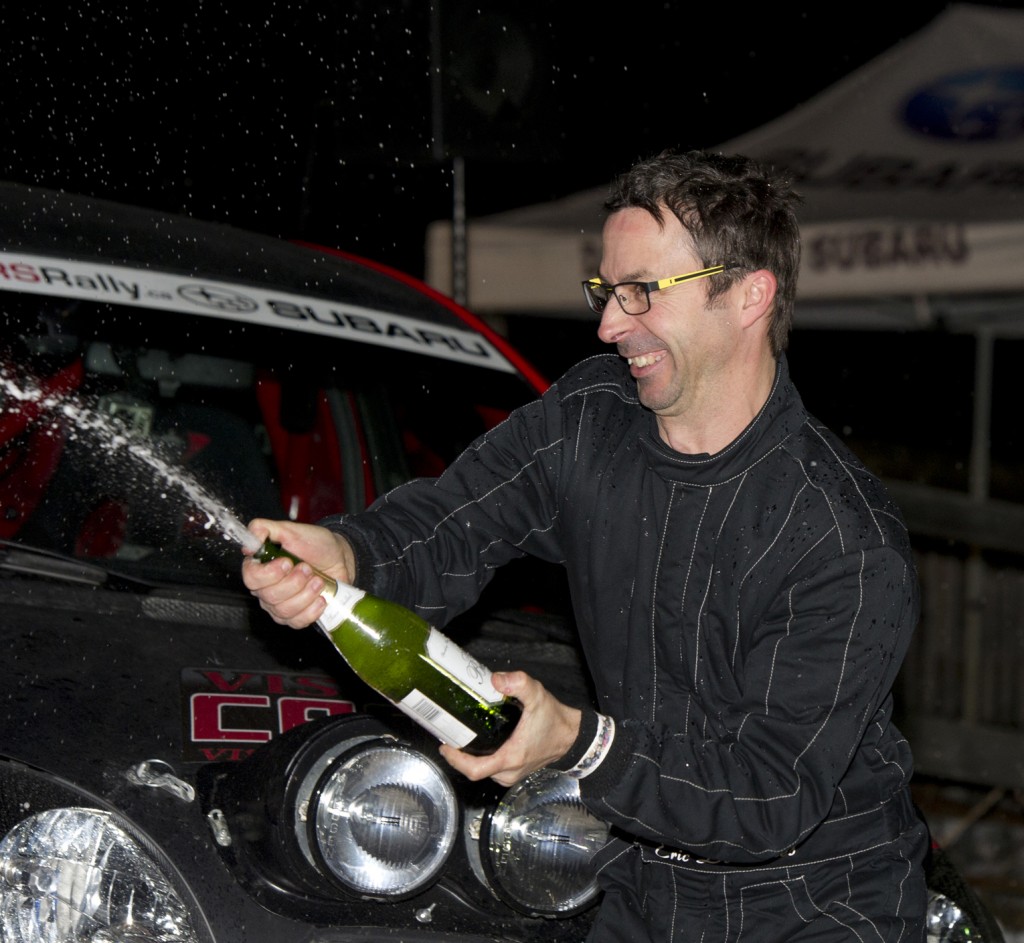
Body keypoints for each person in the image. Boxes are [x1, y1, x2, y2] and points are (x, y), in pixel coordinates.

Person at [242, 149, 928, 941]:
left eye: (642, 292)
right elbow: (450, 524)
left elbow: (766, 795)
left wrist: (576, 741)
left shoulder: (841, 536)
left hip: (818, 904)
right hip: (644, 881)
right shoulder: (588, 420)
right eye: (606, 290)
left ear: (749, 295)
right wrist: (346, 554)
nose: (608, 324)